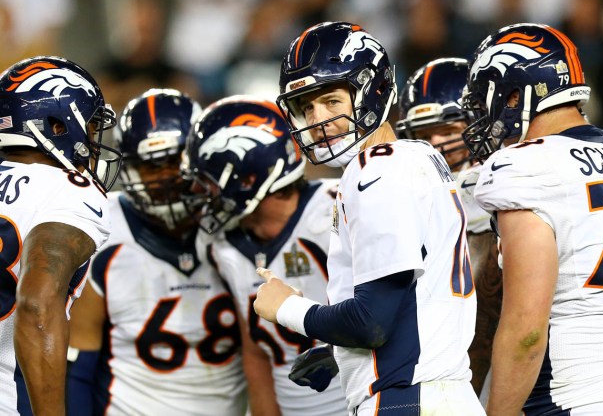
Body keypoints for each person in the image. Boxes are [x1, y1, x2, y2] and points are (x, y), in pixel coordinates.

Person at [254, 21, 484, 415]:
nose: (317, 120)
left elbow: (371, 322)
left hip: (407, 399)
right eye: (305, 107)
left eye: (331, 101)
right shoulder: (417, 157)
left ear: (372, 91)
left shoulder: (376, 170)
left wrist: (286, 307)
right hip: (437, 393)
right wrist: (339, 349)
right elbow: (409, 302)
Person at [462, 22, 603, 415]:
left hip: (577, 394)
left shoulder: (523, 167)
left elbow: (526, 330)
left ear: (514, 96)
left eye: (487, 99)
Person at [66, 89, 247, 415]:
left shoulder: (236, 221)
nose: (165, 178)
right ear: (130, 170)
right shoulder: (102, 228)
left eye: (174, 161)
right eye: (152, 166)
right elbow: (78, 366)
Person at [182, 95, 347, 416]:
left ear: (249, 177)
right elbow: (256, 348)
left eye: (209, 179)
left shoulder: (336, 210)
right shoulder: (222, 244)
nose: (198, 192)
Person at [0, 55, 121, 415]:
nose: (93, 140)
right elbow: (38, 300)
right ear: (57, 125)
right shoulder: (68, 189)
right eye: (91, 125)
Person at [397, 57, 502, 399]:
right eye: (424, 136)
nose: (437, 145)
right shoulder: (410, 195)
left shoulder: (503, 183)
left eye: (448, 131)